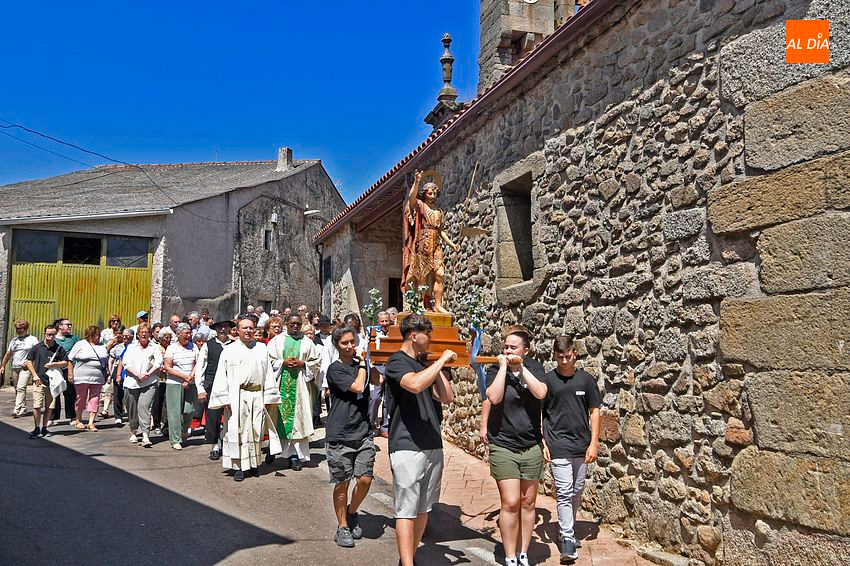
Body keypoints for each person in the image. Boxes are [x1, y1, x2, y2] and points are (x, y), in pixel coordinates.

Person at [384, 314, 456, 566]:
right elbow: (414, 385)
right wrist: (442, 360)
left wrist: (436, 367)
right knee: (406, 509)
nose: (431, 339)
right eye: (428, 334)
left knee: (424, 508)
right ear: (414, 336)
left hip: (431, 443)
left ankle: (410, 558)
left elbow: (447, 397)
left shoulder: (424, 365)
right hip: (407, 444)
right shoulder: (397, 362)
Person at [485, 326, 548, 566]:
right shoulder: (494, 370)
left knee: (528, 503)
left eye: (513, 347)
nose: (508, 350)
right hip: (503, 444)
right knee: (511, 502)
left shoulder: (534, 368)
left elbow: (541, 393)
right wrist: (503, 368)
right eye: (506, 347)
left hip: (530, 445)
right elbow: (494, 397)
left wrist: (521, 370)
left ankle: (523, 552)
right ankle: (510, 555)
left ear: (525, 350)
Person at [543, 336, 601, 563]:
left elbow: (594, 411)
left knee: (577, 490)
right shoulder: (547, 381)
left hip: (581, 445)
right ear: (554, 356)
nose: (565, 361)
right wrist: (543, 441)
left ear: (574, 354)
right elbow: (539, 412)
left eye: (568, 356)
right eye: (560, 357)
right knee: (565, 491)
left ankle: (565, 528)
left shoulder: (586, 380)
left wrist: (594, 443)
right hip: (557, 444)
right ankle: (567, 537)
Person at [325, 325, 381, 548]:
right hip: (340, 434)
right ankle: (342, 527)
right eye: (345, 343)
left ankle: (352, 511)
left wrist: (369, 361)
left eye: (352, 341)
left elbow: (378, 380)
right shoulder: (335, 369)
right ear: (337, 345)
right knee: (342, 483)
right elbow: (358, 387)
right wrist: (362, 366)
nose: (350, 346)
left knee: (365, 479)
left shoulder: (361, 365)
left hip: (363, 431)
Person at [209, 316, 282, 481]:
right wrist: (224, 399)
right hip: (237, 396)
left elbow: (268, 373)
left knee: (256, 430)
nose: (248, 331)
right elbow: (221, 375)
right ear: (238, 330)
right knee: (238, 431)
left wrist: (269, 397)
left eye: (251, 328)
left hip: (257, 395)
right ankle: (239, 466)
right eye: (244, 328)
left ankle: (254, 464)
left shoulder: (262, 349)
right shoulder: (229, 350)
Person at [401, 170, 460, 314]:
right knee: (422, 275)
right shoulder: (420, 206)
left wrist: (452, 244)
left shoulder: (439, 212)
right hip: (423, 243)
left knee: (440, 274)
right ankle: (421, 303)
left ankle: (438, 305)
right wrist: (417, 181)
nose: (432, 196)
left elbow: (441, 231)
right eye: (429, 193)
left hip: (436, 245)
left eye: (434, 194)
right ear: (424, 194)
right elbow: (411, 198)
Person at [267, 314, 321, 470]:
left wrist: (303, 364)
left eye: (298, 324)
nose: (295, 326)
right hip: (279, 386)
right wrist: (282, 362)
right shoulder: (276, 341)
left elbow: (317, 363)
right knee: (277, 419)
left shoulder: (307, 342)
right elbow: (267, 361)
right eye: (292, 324)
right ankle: (273, 447)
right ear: (286, 324)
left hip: (300, 388)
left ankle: (294, 456)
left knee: (298, 421)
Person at [24, 325, 72, 438]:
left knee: (49, 407)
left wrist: (54, 364)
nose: (51, 337)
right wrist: (34, 376)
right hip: (39, 381)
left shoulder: (59, 348)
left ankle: (44, 428)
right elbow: (29, 361)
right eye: (49, 334)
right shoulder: (37, 347)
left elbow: (66, 362)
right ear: (44, 334)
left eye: (53, 335)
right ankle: (36, 428)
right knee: (37, 406)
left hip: (52, 382)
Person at [196, 319, 234, 460]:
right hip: (212, 384)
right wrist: (200, 388)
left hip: (230, 384)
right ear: (216, 329)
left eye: (225, 327)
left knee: (230, 416)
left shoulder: (235, 345)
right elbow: (201, 367)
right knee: (213, 417)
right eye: (220, 327)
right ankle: (214, 447)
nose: (223, 329)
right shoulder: (208, 345)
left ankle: (226, 442)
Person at [119, 323, 163, 448]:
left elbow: (158, 363)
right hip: (132, 382)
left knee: (144, 406)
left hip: (149, 382)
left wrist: (148, 374)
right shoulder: (131, 347)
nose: (144, 334)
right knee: (132, 408)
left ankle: (145, 435)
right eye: (141, 332)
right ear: (138, 334)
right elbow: (126, 364)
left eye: (146, 332)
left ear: (150, 334)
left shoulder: (154, 347)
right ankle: (133, 431)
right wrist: (137, 375)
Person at [163, 323, 199, 450]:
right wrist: (184, 377)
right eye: (186, 333)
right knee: (174, 412)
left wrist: (190, 378)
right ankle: (175, 439)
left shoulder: (194, 347)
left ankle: (184, 430)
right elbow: (167, 367)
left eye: (190, 333)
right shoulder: (171, 348)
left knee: (189, 410)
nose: (189, 336)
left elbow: (198, 363)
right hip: (174, 383)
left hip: (190, 383)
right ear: (178, 334)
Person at [67, 326, 109, 432]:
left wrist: (107, 373)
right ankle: (78, 419)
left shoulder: (102, 346)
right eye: (96, 335)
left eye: (99, 334)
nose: (99, 337)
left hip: (97, 377)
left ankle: (91, 422)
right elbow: (70, 359)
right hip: (82, 376)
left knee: (95, 399)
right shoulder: (80, 344)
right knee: (80, 398)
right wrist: (70, 373)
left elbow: (105, 360)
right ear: (90, 335)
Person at [1, 319, 39, 417]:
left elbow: (37, 353)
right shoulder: (14, 341)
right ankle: (23, 408)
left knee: (21, 387)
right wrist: (3, 365)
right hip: (15, 367)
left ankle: (16, 409)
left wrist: (31, 363)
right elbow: (8, 354)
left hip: (25, 368)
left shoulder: (32, 339)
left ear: (25, 328)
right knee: (17, 389)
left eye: (20, 328)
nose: (18, 330)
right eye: (17, 328)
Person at [50, 318, 78, 425]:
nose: (70, 326)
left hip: (68, 368)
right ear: (60, 326)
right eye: (68, 324)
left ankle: (72, 416)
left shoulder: (73, 338)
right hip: (55, 369)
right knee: (54, 393)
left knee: (70, 393)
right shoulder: (52, 338)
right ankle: (52, 417)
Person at [110, 328, 134, 424]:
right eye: (123, 335)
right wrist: (112, 372)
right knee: (117, 394)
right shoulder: (117, 347)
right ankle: (118, 415)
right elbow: (112, 359)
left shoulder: (135, 346)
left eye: (126, 335)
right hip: (118, 369)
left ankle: (131, 413)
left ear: (132, 336)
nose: (124, 337)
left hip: (130, 370)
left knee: (129, 394)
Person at [152, 329, 172, 435]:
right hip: (159, 378)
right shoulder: (156, 348)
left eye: (169, 338)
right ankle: (156, 424)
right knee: (158, 402)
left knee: (168, 403)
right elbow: (152, 361)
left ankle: (167, 425)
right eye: (166, 338)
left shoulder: (171, 348)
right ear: (160, 338)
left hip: (169, 378)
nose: (168, 340)